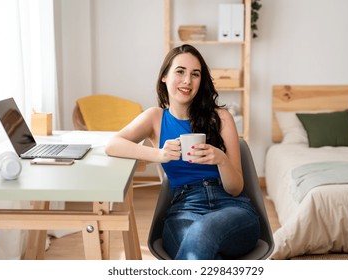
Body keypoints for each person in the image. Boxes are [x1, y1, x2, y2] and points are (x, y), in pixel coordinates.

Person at [105, 44, 260, 260]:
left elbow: (235, 188)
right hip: (184, 209)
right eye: (180, 71)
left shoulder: (221, 118)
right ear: (164, 77)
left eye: (195, 74)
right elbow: (113, 145)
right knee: (200, 247)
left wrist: (222, 160)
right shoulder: (155, 118)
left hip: (232, 208)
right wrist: (159, 155)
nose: (187, 80)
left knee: (202, 234)